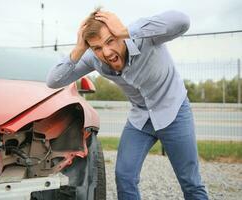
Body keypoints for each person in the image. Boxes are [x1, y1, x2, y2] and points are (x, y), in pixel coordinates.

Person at [46, 8, 209, 200]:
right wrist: (79, 49)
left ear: (118, 33)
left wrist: (126, 32)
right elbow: (53, 81)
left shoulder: (143, 36)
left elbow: (183, 21)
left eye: (110, 41)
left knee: (190, 182)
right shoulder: (93, 58)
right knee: (124, 176)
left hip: (174, 111)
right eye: (97, 47)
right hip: (141, 119)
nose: (106, 52)